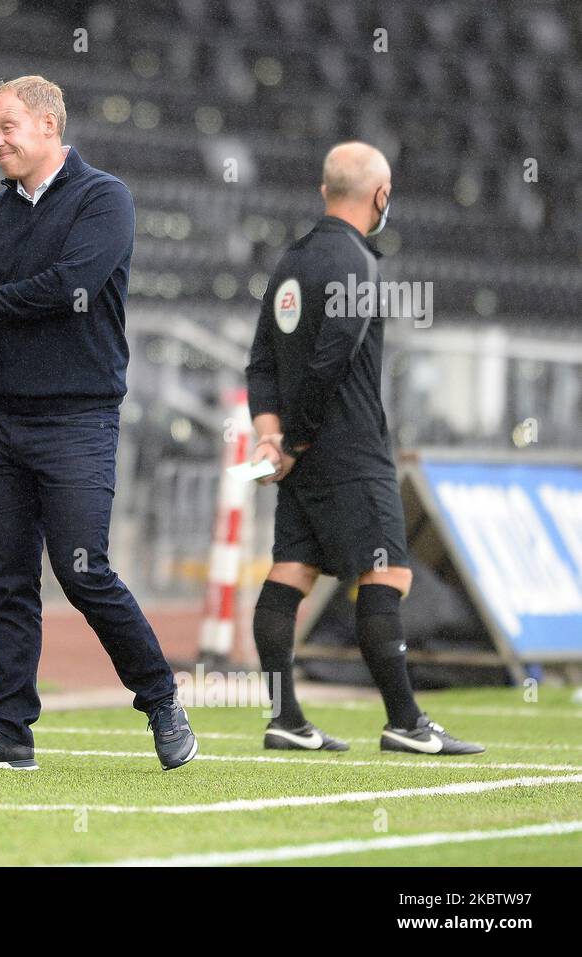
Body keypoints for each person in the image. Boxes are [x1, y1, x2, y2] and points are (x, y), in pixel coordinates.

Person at [0, 75, 195, 771]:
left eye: (6, 127)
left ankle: (160, 697)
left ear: (47, 124)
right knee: (5, 579)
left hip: (78, 420)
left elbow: (72, 287)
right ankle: (8, 729)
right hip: (0, 424)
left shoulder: (104, 198)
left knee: (84, 569)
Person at [244, 141, 483, 755]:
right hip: (348, 452)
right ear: (380, 196)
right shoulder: (359, 264)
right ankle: (406, 722)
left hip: (299, 457)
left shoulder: (290, 262)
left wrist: (272, 436)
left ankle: (285, 718)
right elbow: (330, 363)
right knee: (388, 572)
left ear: (325, 190)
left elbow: (261, 363)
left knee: (290, 575)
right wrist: (293, 439)